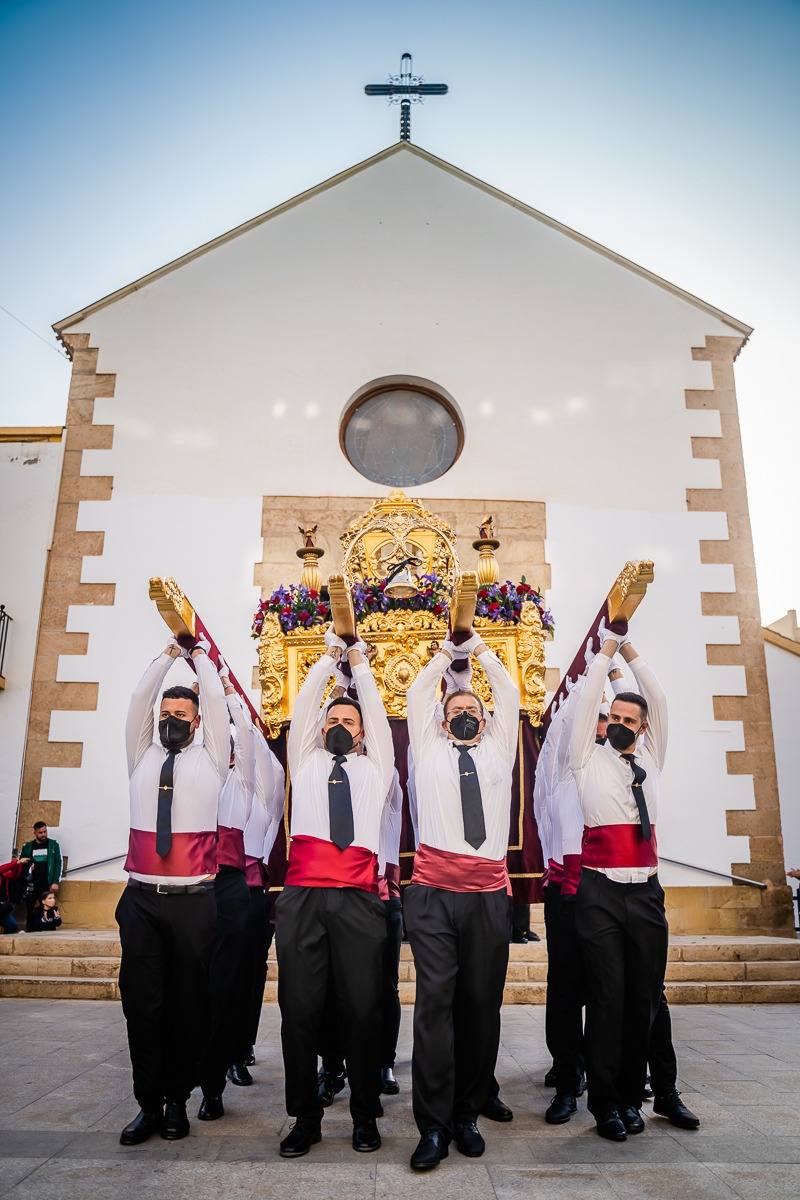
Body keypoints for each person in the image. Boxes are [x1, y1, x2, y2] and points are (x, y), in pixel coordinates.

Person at [275, 629, 394, 1159]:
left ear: (364, 733)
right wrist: (328, 659)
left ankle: (365, 1115)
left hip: (358, 901)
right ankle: (304, 1117)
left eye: (349, 722)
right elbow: (302, 707)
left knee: (364, 1009)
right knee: (298, 1010)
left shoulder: (377, 769)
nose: (339, 726)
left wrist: (360, 662)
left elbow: (371, 706)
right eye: (333, 721)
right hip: (302, 899)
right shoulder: (305, 762)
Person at [404, 628, 519, 1172]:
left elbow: (510, 693)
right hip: (432, 896)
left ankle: (468, 1112)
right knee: (433, 1008)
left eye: (474, 706)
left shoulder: (499, 750)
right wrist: (447, 657)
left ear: (486, 717)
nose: (466, 712)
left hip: (488, 898)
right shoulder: (427, 749)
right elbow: (417, 697)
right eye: (457, 707)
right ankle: (432, 1124)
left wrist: (480, 653)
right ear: (444, 719)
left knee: (480, 1006)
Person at [117, 636, 229, 1147]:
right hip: (141, 899)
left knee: (188, 1006)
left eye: (181, 713)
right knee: (142, 1007)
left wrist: (201, 658)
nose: (170, 720)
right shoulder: (141, 757)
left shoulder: (210, 760)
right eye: (167, 712)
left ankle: (177, 1102)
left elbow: (220, 709)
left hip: (192, 904)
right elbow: (138, 704)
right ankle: (147, 1103)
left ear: (197, 721)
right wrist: (165, 657)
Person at [571, 618, 669, 1141]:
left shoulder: (652, 758)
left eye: (633, 719)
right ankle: (605, 1104)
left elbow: (657, 696)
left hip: (647, 893)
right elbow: (590, 699)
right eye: (616, 717)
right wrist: (607, 648)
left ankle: (633, 1098)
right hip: (601, 893)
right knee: (607, 997)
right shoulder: (587, 760)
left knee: (642, 999)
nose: (623, 724)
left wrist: (631, 651)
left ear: (645, 727)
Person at [316, 768, 405, 1105]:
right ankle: (333, 1068)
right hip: (341, 897)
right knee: (331, 988)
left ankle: (384, 1063)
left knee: (386, 987)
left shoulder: (386, 787)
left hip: (383, 900)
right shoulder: (331, 787)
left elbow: (385, 766)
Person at [197, 660, 256, 1121]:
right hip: (185, 888)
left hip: (229, 888)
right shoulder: (190, 773)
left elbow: (246, 738)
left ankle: (211, 1086)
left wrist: (226, 690)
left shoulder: (240, 780)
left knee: (221, 990)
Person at [228, 721, 285, 1084]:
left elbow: (267, 766)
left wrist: (243, 717)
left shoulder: (266, 781)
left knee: (246, 973)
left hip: (251, 891)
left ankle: (238, 1046)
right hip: (210, 887)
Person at [18, 822, 62, 932]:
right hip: (32, 883)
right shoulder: (28, 847)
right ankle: (30, 930)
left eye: (45, 831)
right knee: (30, 908)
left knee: (48, 907)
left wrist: (55, 881)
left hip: (46, 882)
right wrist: (28, 869)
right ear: (35, 833)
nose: (43, 834)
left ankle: (49, 930)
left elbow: (58, 863)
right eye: (40, 832)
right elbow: (22, 864)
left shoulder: (53, 845)